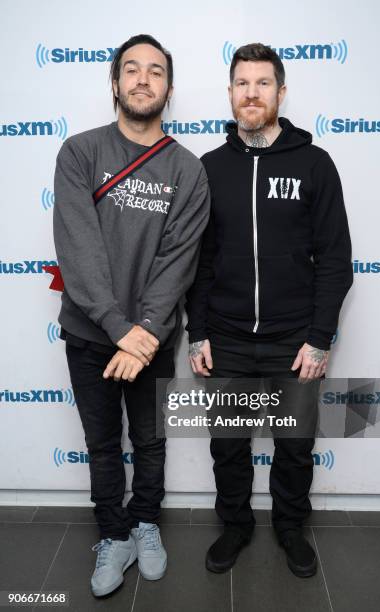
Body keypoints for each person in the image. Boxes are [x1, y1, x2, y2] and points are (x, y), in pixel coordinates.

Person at [186, 43, 353, 578]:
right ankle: (235, 525)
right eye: (242, 83)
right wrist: (198, 332)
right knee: (229, 447)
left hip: (295, 338)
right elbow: (200, 261)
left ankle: (290, 527)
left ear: (281, 92)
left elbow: (335, 258)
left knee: (296, 447)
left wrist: (320, 337)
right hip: (228, 338)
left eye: (262, 83)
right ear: (230, 93)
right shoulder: (209, 168)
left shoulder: (313, 163)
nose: (251, 93)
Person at [53, 34, 210, 596]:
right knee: (101, 443)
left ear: (169, 87)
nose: (144, 79)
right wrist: (122, 332)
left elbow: (177, 262)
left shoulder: (188, 170)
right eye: (133, 70)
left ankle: (145, 525)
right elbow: (79, 248)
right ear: (115, 82)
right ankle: (112, 535)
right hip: (92, 333)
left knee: (148, 441)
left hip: (152, 337)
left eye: (156, 71)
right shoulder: (80, 152)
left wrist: (144, 332)